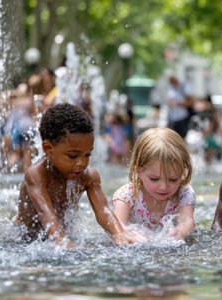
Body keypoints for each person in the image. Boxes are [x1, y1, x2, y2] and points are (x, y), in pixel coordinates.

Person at [13, 103, 137, 249]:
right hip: (27, 234)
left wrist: (119, 233)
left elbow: (103, 209)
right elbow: (44, 212)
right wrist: (61, 240)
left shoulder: (88, 176)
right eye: (72, 156)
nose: (82, 163)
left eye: (87, 154)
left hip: (61, 231)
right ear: (48, 149)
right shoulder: (37, 175)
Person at [112, 127, 196, 241]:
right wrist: (126, 234)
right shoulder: (127, 196)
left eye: (173, 179)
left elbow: (187, 222)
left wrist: (181, 230)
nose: (163, 187)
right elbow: (116, 226)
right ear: (139, 171)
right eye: (154, 179)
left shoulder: (183, 193)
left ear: (182, 173)